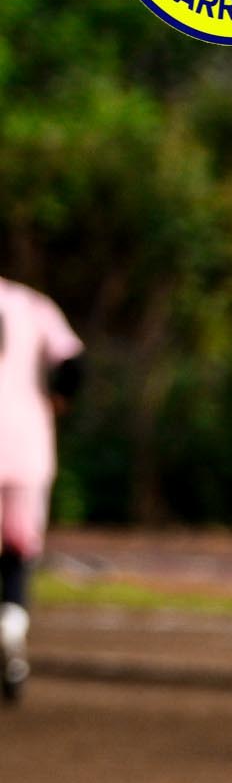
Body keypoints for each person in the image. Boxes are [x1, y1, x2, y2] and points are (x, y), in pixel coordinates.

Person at [0, 274, 79, 705]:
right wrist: (58, 400)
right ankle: (11, 623)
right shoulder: (32, 305)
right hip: (25, 445)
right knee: (18, 550)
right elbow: (73, 363)